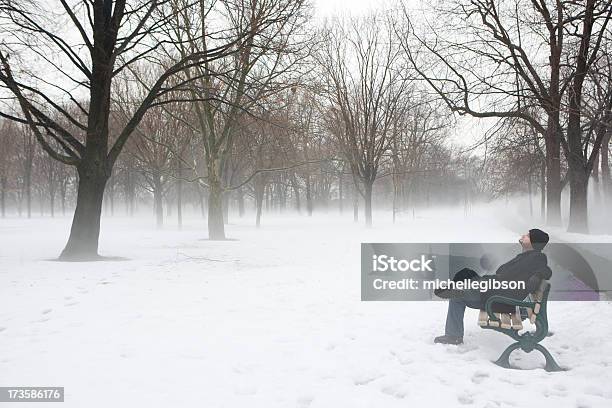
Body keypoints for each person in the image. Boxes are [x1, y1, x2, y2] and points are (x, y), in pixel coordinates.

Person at [433, 229, 552, 345]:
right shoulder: (526, 256)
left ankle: (453, 336)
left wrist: (539, 274)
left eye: (527, 235)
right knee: (467, 276)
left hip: (501, 299)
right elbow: (502, 270)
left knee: (457, 297)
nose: (523, 236)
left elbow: (546, 269)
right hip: (498, 291)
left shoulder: (537, 257)